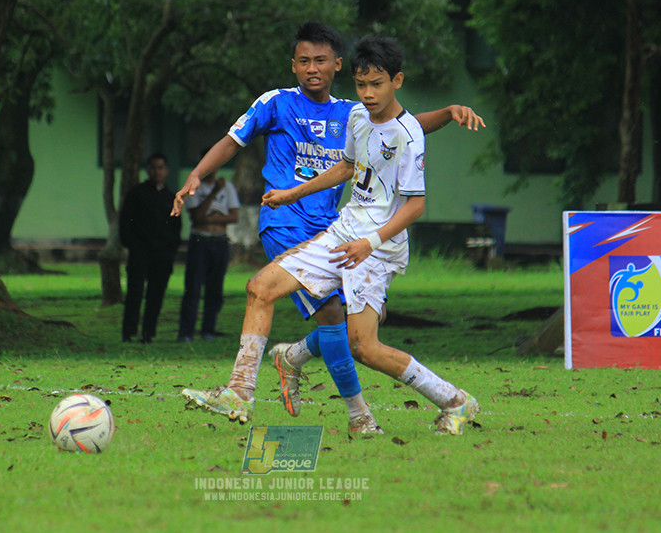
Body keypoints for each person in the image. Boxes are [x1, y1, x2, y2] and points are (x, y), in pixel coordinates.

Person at [181, 35, 478, 437]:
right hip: (340, 232)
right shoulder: (356, 117)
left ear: (397, 81)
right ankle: (239, 392)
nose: (369, 94)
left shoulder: (408, 137)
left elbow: (415, 207)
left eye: (377, 85)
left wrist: (368, 244)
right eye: (362, 85)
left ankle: (455, 401)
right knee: (260, 288)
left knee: (364, 347)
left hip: (376, 248)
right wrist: (292, 193)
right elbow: (345, 167)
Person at [119, 153, 181, 343]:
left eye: (160, 168)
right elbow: (125, 223)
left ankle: (148, 333)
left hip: (162, 254)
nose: (157, 172)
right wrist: (131, 245)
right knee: (135, 293)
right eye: (153, 167)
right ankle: (128, 332)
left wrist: (171, 249)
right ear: (147, 170)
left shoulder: (171, 197)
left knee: (156, 295)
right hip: (139, 252)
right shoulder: (136, 194)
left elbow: (176, 226)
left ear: (166, 170)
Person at [176, 162, 240, 343]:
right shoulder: (195, 188)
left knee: (215, 289)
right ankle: (186, 332)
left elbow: (234, 216)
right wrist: (213, 194)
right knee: (193, 288)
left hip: (220, 241)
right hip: (200, 241)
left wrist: (210, 219)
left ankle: (208, 330)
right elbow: (197, 217)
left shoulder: (227, 187)